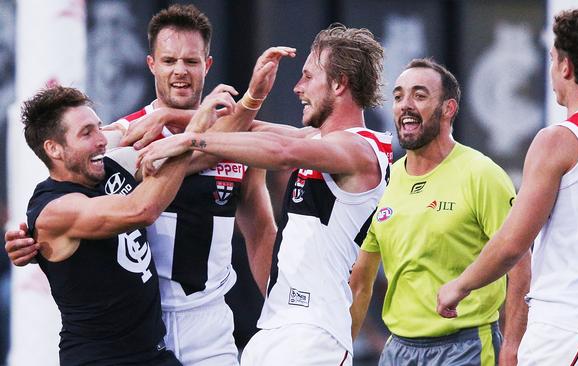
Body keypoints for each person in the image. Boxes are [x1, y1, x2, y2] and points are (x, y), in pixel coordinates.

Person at [4, 4, 290, 365]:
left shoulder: (236, 143)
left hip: (212, 322)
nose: (180, 72)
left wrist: (281, 314)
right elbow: (70, 185)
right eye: (169, 61)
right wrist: (29, 237)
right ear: (151, 64)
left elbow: (262, 231)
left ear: (208, 65)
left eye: (191, 61)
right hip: (146, 324)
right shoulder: (125, 136)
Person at [137, 23, 392, 366]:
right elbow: (252, 128)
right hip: (276, 328)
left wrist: (189, 138)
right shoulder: (317, 140)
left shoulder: (361, 148)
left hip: (314, 334)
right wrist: (171, 114)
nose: (298, 87)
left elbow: (281, 150)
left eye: (307, 76)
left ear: (339, 83)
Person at [437, 9, 578, 365]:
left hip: (565, 329)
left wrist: (459, 287)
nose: (551, 71)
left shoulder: (558, 141)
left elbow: (512, 244)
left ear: (566, 67)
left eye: (552, 59)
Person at [347, 58, 530, 366]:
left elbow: (521, 266)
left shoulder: (482, 174)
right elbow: (361, 280)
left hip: (465, 347)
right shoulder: (386, 181)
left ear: (448, 109)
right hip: (397, 350)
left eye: (419, 95)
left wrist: (512, 348)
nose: (405, 105)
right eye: (398, 96)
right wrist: (342, 351)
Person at [18, 85, 212, 365]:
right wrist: (190, 135)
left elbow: (212, 151)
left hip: (153, 355)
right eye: (87, 133)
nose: (101, 140)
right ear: (54, 149)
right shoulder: (54, 210)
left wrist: (252, 98)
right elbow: (141, 209)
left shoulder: (111, 167)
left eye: (99, 127)